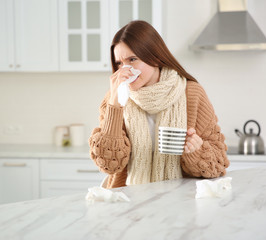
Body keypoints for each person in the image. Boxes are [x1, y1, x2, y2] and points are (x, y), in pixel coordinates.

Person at [89, 20, 229, 188]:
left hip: (179, 201)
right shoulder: (114, 100)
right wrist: (114, 107)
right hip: (128, 203)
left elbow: (218, 166)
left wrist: (196, 151)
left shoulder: (192, 94)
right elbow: (108, 164)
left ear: (154, 58)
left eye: (132, 59)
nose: (125, 71)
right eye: (119, 63)